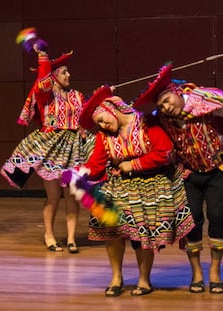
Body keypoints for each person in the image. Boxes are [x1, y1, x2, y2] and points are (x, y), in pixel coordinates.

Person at [133, 64, 223, 294]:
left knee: (218, 217)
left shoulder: (206, 103)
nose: (166, 107)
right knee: (192, 222)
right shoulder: (162, 119)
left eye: (168, 100)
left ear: (178, 93)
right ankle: (197, 273)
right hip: (188, 173)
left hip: (218, 170)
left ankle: (215, 272)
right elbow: (140, 128)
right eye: (161, 106)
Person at [66, 85, 195, 297]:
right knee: (111, 228)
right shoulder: (104, 135)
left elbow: (164, 152)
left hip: (150, 182)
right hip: (119, 184)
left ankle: (144, 280)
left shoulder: (146, 122)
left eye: (103, 118)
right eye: (98, 122)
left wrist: (134, 164)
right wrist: (77, 174)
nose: (103, 124)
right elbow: (97, 164)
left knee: (141, 232)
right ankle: (116, 277)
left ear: (113, 109)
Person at [1, 30, 94, 254]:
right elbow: (42, 80)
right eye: (64, 72)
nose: (68, 75)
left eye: (68, 71)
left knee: (73, 195)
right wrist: (42, 55)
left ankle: (72, 238)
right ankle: (49, 235)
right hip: (52, 148)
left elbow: (85, 116)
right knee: (53, 196)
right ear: (54, 76)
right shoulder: (45, 93)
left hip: (73, 149)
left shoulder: (78, 95)